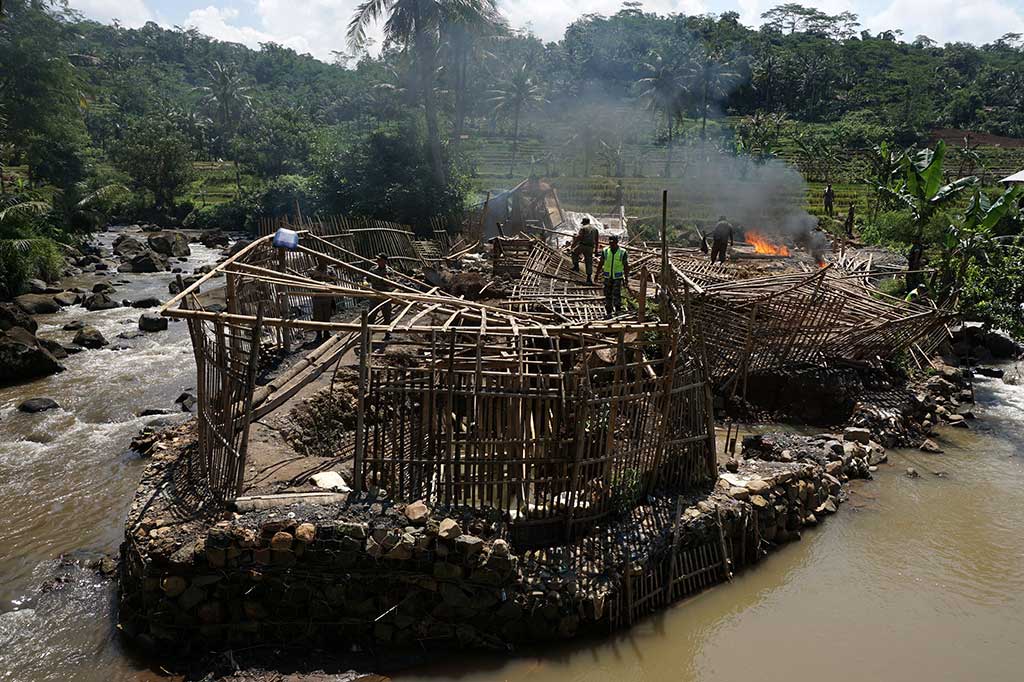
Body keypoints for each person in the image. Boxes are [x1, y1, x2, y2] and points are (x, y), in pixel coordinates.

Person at [598, 234, 629, 318]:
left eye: (613, 243)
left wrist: (626, 278)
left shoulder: (622, 252)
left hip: (617, 277)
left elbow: (626, 266)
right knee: (607, 294)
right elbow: (601, 263)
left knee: (616, 294)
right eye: (610, 243)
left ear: (617, 242)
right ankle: (609, 312)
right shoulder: (605, 251)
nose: (611, 245)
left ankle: (617, 311)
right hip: (607, 276)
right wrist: (597, 274)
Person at [369, 253, 394, 340]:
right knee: (372, 314)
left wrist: (387, 279)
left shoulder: (389, 271)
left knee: (387, 315)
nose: (378, 261)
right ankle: (368, 334)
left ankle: (387, 333)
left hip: (385, 295)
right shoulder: (372, 269)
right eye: (377, 260)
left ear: (384, 261)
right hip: (375, 294)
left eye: (380, 260)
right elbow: (368, 279)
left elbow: (392, 284)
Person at [310, 257, 335, 342]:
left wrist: (326, 284)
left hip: (327, 296)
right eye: (319, 260)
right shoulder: (313, 271)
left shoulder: (330, 270)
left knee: (327, 315)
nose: (321, 262)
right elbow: (308, 282)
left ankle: (326, 332)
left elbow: (334, 282)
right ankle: (319, 334)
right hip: (317, 296)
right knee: (318, 316)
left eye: (323, 260)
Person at [571, 217, 600, 284]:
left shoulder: (583, 228)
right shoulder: (595, 229)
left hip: (583, 245)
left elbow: (579, 237)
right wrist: (596, 249)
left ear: (584, 222)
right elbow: (597, 240)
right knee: (588, 261)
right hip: (590, 247)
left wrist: (573, 244)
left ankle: (576, 267)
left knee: (574, 253)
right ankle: (589, 278)